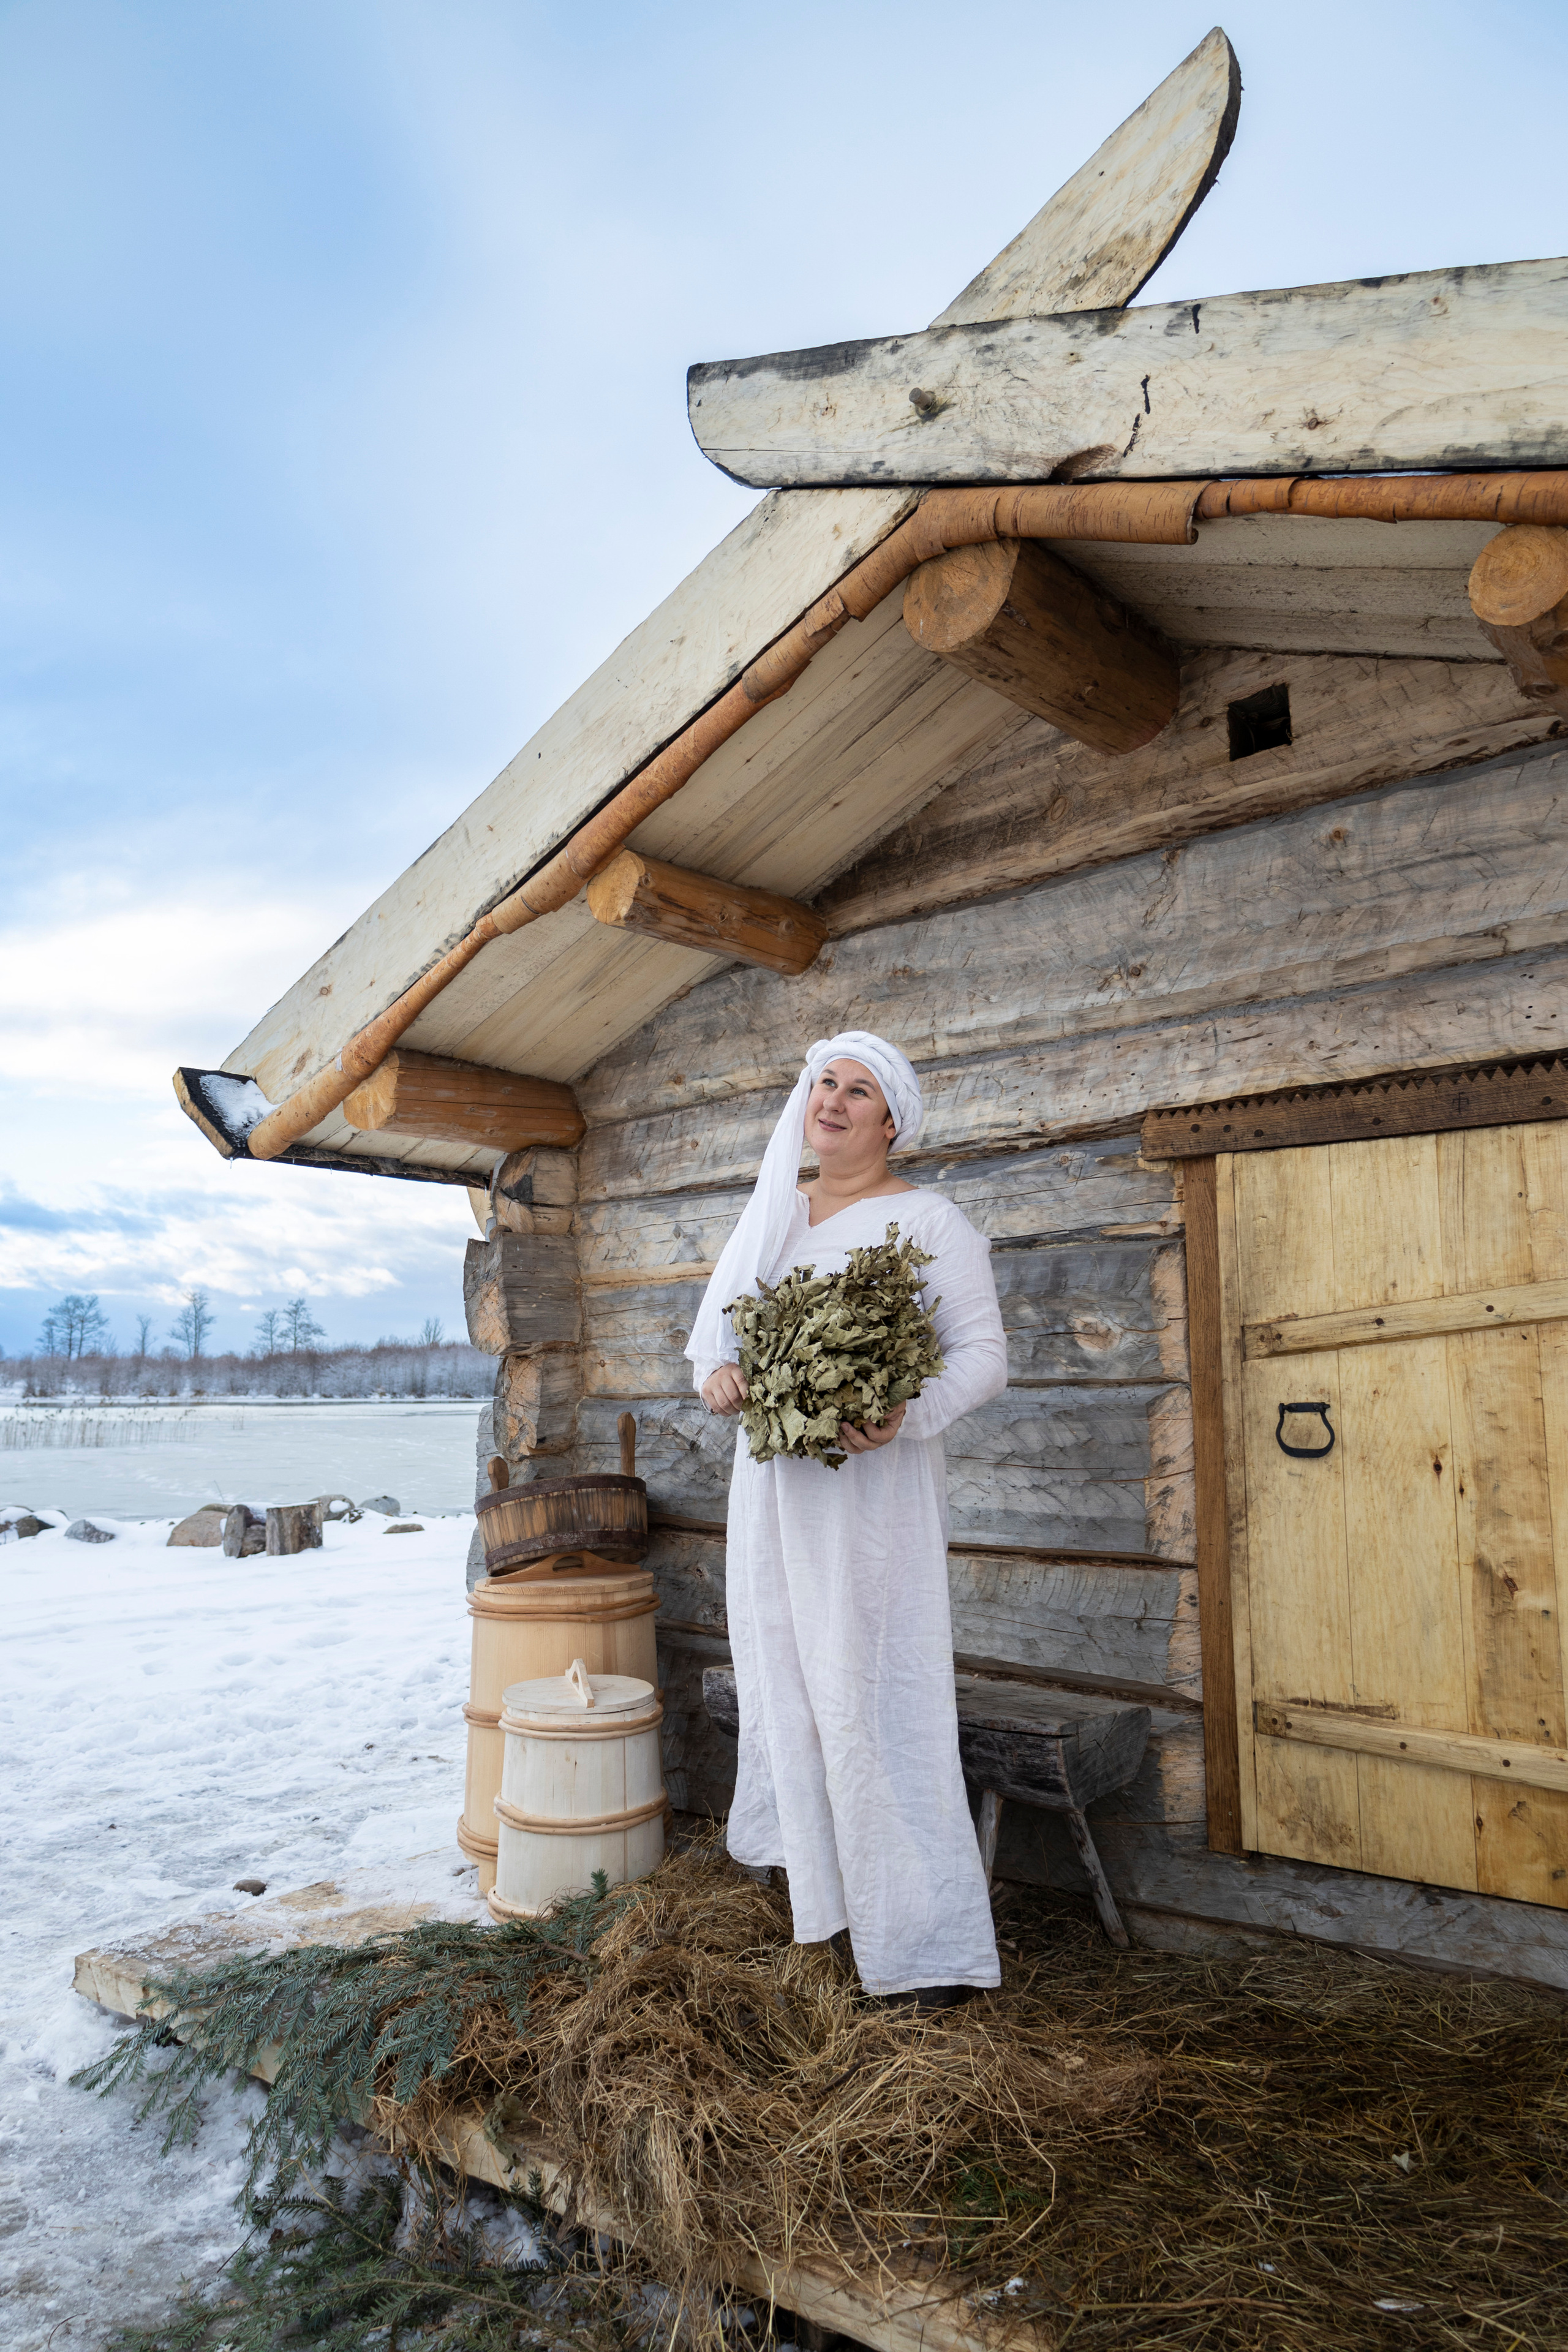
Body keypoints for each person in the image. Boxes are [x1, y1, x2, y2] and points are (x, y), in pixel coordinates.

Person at [686, 1030, 1009, 2007]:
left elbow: (984, 1355)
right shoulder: (772, 1214)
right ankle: (824, 1905)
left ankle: (922, 1941)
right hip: (777, 1496)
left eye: (858, 1090)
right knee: (786, 1682)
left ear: (892, 1123)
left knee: (874, 1694)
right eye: (824, 1082)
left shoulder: (930, 1222)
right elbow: (713, 1346)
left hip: (871, 1503)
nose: (831, 1099)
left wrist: (911, 1411)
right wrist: (720, 1377)